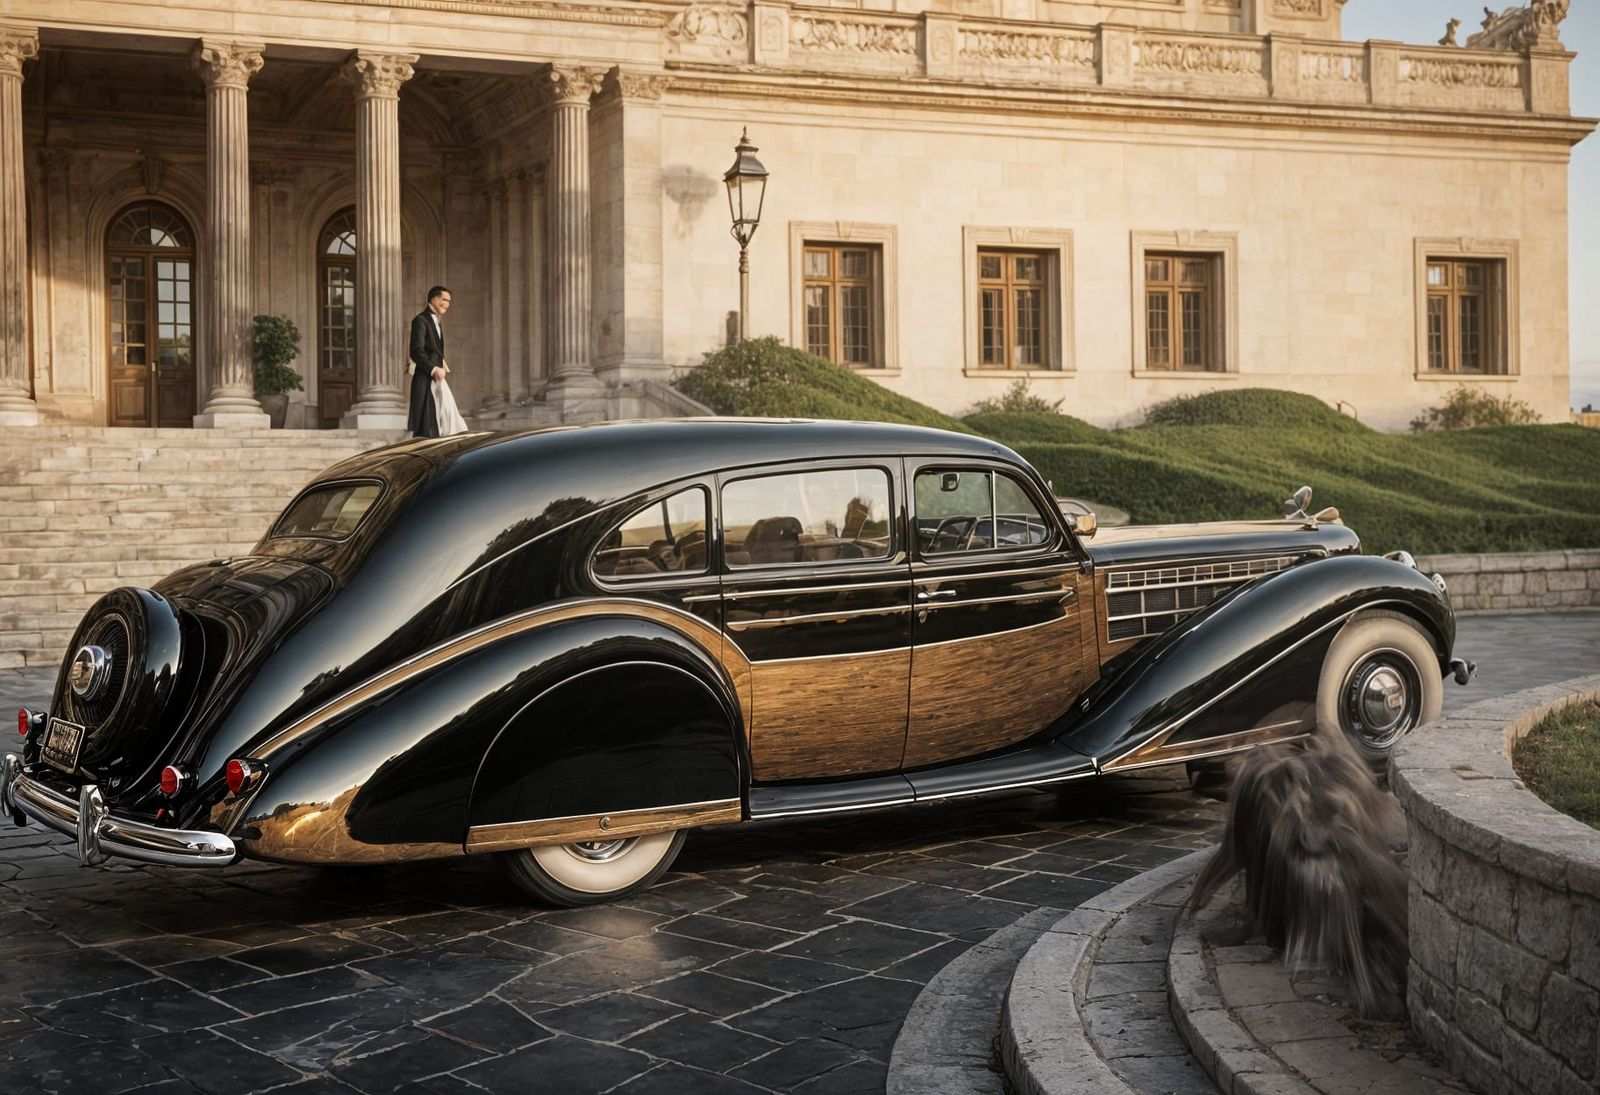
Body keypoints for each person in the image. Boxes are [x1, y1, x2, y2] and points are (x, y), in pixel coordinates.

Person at [408, 286, 452, 438]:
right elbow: (416, 351)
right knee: (426, 427)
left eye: (449, 301)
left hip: (437, 378)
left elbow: (432, 348)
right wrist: (433, 368)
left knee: (446, 418)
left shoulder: (437, 322)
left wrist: (441, 362)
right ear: (432, 299)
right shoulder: (420, 320)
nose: (447, 304)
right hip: (425, 379)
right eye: (444, 300)